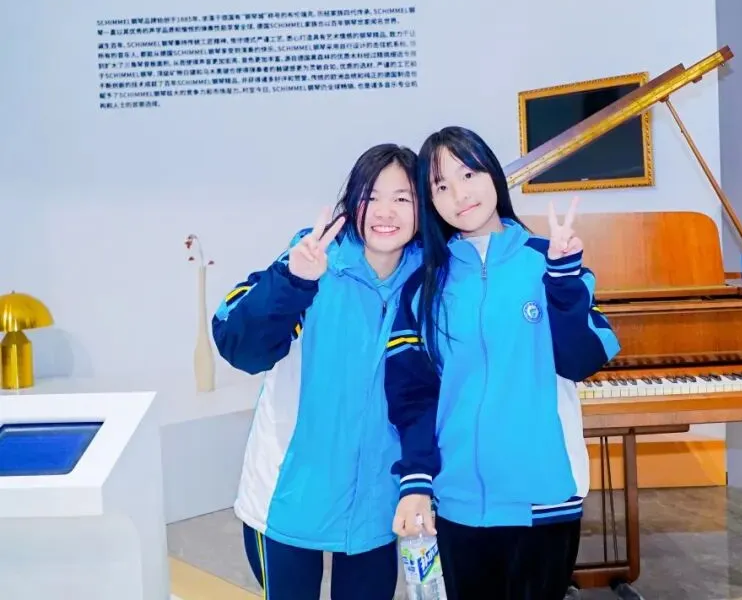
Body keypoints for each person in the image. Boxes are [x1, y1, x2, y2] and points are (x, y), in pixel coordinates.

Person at [384, 126, 621, 600]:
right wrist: (418, 479)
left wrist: (562, 281)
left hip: (544, 497)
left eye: (468, 174)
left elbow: (582, 360)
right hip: (458, 502)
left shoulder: (549, 262)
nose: (460, 194)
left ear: (492, 173)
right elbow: (412, 396)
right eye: (441, 185)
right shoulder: (422, 288)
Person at [211, 143, 421, 600]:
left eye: (402, 198)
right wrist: (294, 280)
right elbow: (241, 346)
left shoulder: (427, 280)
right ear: (352, 201)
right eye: (372, 196)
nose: (385, 212)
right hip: (289, 499)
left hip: (375, 507)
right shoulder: (313, 259)